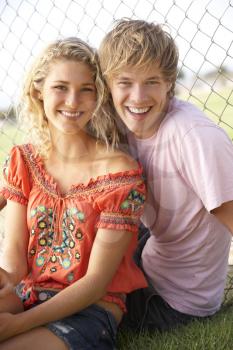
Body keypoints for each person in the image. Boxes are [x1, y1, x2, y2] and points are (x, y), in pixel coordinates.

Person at [0, 37, 147, 349]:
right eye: (60, 87)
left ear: (98, 96)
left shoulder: (120, 174)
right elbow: (15, 265)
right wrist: (6, 282)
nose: (73, 100)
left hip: (90, 308)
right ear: (38, 91)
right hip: (28, 294)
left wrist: (15, 326)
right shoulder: (23, 161)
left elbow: (94, 284)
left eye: (86, 89)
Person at [98, 18, 233, 332]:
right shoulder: (121, 125)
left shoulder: (194, 137)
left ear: (170, 83)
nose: (139, 96)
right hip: (155, 254)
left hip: (173, 300)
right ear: (107, 84)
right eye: (125, 82)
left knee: (76, 299)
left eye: (152, 82)